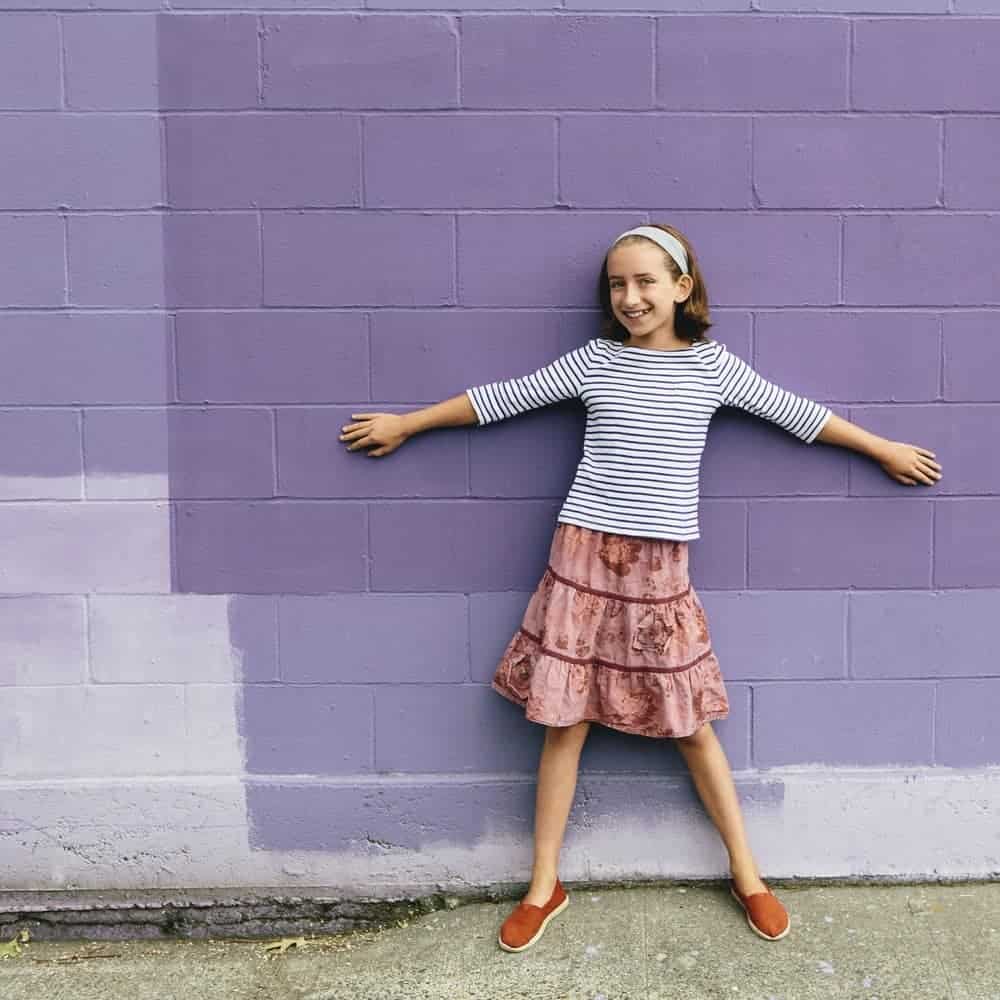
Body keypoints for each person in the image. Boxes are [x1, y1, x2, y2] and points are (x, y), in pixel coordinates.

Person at [338, 223, 943, 951]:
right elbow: (501, 399)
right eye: (618, 285)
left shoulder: (713, 369)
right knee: (567, 722)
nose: (631, 297)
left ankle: (748, 875)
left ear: (682, 287)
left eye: (646, 282)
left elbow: (800, 415)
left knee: (691, 726)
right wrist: (408, 424)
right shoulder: (596, 362)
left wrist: (882, 449)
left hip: (660, 572)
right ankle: (543, 885)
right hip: (582, 560)